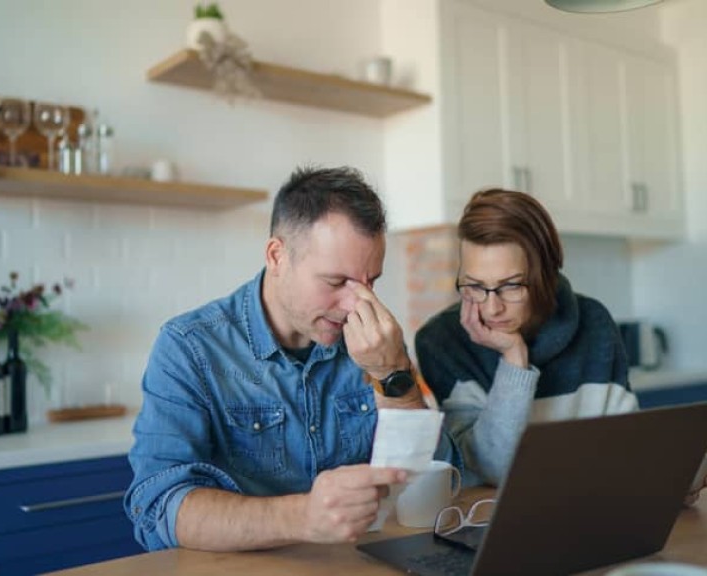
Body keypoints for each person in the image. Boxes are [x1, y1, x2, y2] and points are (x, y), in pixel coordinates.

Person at [125, 166, 457, 553]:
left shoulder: (374, 343)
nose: (356, 304)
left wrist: (393, 375)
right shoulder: (189, 347)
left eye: (370, 283)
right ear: (277, 256)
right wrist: (304, 516)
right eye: (336, 282)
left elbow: (438, 481)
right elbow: (157, 507)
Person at [415, 188, 640, 487]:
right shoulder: (441, 342)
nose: (492, 308)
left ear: (545, 276)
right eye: (475, 286)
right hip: (493, 520)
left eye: (511, 286)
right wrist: (514, 358)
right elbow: (494, 468)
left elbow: (630, 442)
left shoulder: (594, 322)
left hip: (593, 505)